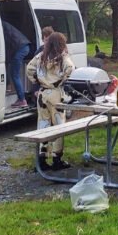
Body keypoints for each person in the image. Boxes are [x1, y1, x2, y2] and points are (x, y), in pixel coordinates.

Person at [26, 31, 76, 170]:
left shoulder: (41, 56)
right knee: (59, 126)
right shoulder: (62, 58)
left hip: (42, 94)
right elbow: (71, 69)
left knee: (43, 124)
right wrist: (61, 81)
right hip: (56, 94)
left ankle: (42, 159)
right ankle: (56, 159)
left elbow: (29, 69)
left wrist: (38, 81)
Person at [2, 20, 31, 108]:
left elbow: (6, 47)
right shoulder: (3, 24)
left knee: (15, 75)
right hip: (23, 46)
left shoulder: (0, 26)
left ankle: (22, 100)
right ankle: (9, 87)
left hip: (20, 48)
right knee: (12, 71)